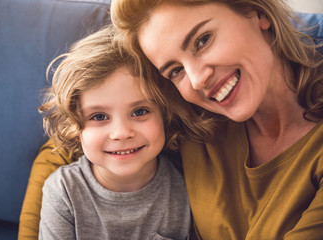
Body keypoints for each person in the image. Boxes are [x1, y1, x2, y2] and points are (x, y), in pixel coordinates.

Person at [109, 0, 323, 239]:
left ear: (257, 12)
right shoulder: (192, 123)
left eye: (202, 41)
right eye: (175, 71)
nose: (197, 80)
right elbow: (78, 142)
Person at [36, 25, 205, 239]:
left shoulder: (188, 188)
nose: (121, 133)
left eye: (140, 111)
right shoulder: (63, 191)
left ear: (165, 115)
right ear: (75, 128)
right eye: (99, 117)